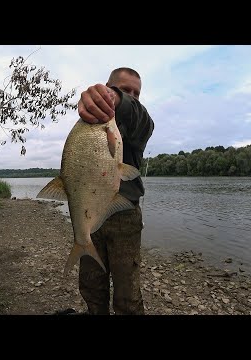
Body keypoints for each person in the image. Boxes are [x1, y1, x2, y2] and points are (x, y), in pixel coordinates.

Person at [74, 67, 154, 315]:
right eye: (123, 88)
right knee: (91, 286)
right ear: (109, 85)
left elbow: (140, 116)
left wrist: (117, 98)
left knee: (127, 295)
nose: (130, 95)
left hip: (125, 216)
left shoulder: (140, 124)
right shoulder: (91, 122)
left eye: (135, 93)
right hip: (92, 213)